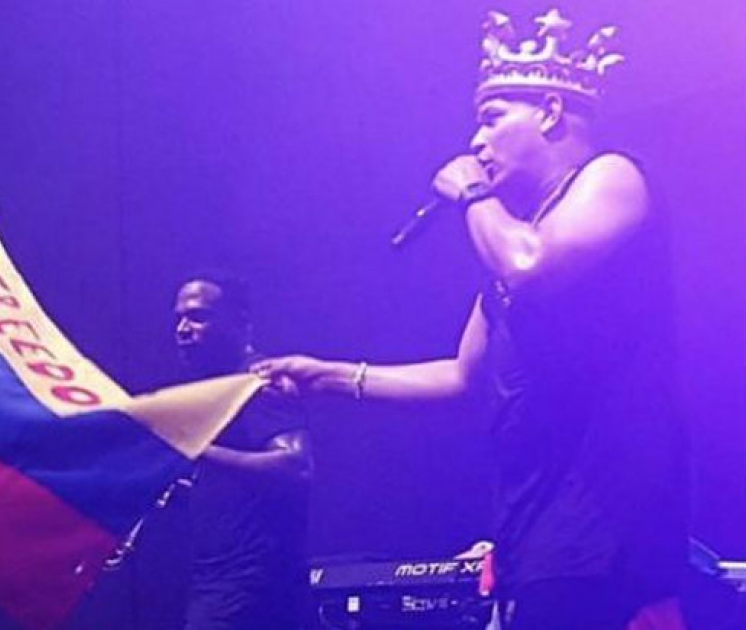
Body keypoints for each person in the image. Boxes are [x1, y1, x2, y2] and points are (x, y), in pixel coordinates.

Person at [255, 10, 689, 630]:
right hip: (535, 526)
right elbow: (463, 375)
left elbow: (529, 264)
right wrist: (327, 375)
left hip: (609, 528)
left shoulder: (611, 176)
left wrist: (473, 195)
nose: (475, 144)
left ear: (548, 112)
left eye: (491, 119)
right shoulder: (513, 242)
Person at [172, 272, 312, 630]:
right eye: (179, 319)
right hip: (218, 578)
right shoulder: (218, 390)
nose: (183, 328)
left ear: (240, 323)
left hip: (245, 584)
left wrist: (198, 450)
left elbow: (296, 466)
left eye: (198, 316)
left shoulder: (257, 385)